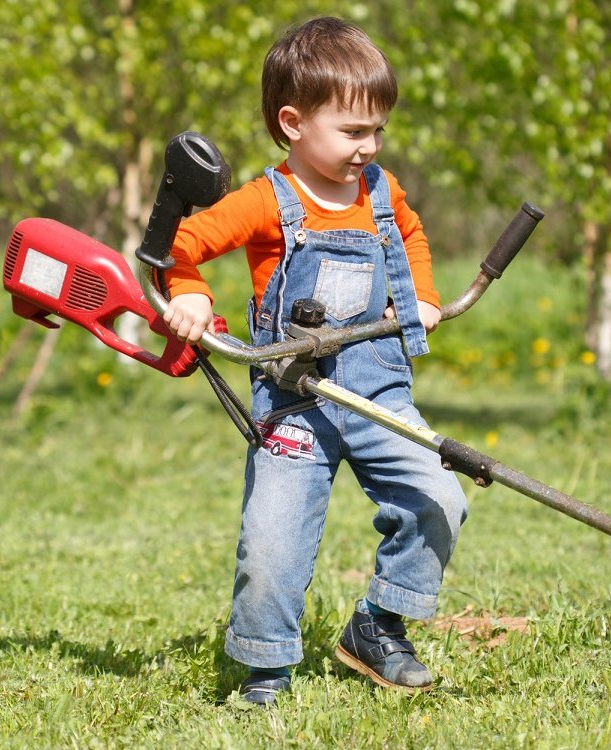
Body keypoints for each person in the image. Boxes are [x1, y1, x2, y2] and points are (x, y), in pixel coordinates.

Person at [161, 16, 467, 705]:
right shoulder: (266, 201)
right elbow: (181, 248)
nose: (370, 147)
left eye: (378, 131)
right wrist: (190, 299)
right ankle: (265, 670)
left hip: (378, 393)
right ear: (294, 123)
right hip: (295, 397)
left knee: (440, 497)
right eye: (354, 132)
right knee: (271, 543)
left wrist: (421, 295)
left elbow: (411, 238)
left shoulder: (382, 194)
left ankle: (379, 625)